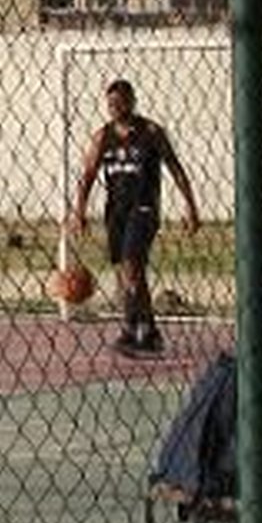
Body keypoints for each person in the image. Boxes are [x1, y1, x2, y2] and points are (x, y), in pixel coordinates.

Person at [72, 76, 203, 357]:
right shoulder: (102, 137)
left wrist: (190, 206)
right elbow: (87, 176)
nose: (115, 107)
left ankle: (133, 327)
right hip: (115, 212)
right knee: (128, 272)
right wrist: (79, 211)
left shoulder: (151, 132)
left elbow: (175, 169)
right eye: (111, 103)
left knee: (132, 265)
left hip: (144, 209)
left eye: (120, 102)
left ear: (132, 101)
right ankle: (148, 330)